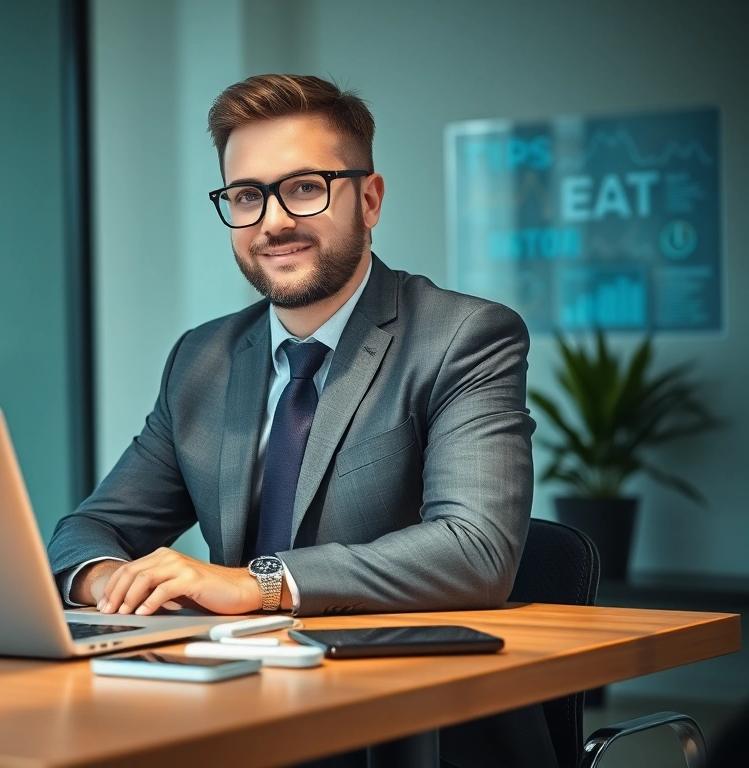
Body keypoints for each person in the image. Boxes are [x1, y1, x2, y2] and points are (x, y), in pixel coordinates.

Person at [46, 74, 555, 768]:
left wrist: (258, 582)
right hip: (239, 712)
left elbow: (475, 550)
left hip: (410, 727)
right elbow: (88, 530)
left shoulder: (463, 336)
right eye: (247, 196)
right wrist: (110, 581)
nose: (273, 221)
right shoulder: (203, 358)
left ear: (369, 199)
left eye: (305, 187)